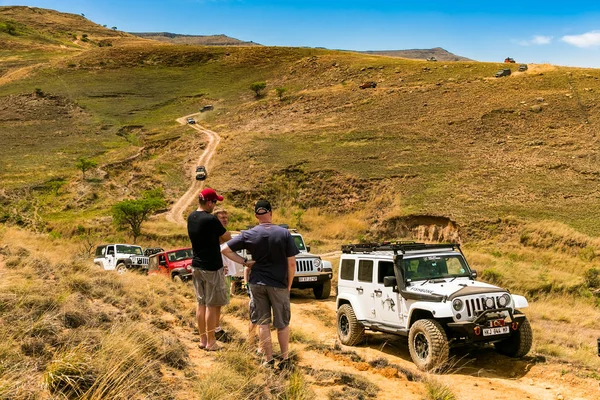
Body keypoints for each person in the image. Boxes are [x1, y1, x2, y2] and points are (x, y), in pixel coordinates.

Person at [221, 199, 299, 370]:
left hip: (257, 283)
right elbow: (292, 264)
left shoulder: (248, 234)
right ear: (271, 212)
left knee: (263, 323)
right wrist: (289, 285)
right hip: (279, 284)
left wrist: (245, 262)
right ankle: (285, 359)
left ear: (256, 215)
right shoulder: (284, 234)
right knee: (282, 324)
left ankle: (268, 359)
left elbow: (224, 249)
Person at [187, 188, 231, 351]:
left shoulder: (191, 217)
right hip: (212, 266)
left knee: (201, 304)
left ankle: (203, 340)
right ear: (209, 202)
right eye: (215, 202)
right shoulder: (211, 220)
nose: (215, 205)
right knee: (212, 305)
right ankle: (212, 342)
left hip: (196, 264)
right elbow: (227, 237)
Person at [212, 207, 240, 343]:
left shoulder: (223, 233)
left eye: (226, 217)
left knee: (220, 302)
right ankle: (215, 329)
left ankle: (216, 327)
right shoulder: (218, 234)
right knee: (217, 302)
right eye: (221, 217)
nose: (225, 219)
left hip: (226, 270)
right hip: (220, 270)